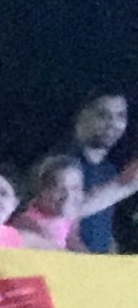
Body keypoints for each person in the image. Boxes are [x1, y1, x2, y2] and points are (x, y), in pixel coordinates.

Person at [12, 151, 138, 251]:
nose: (68, 195)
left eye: (75, 188)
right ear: (41, 191)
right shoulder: (25, 222)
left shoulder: (68, 216)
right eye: (59, 188)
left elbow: (73, 244)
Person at [55, 89, 131, 254]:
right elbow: (54, 224)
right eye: (103, 115)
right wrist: (91, 264)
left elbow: (104, 227)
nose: (113, 123)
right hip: (64, 263)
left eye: (120, 116)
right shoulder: (59, 165)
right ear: (81, 116)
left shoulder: (110, 171)